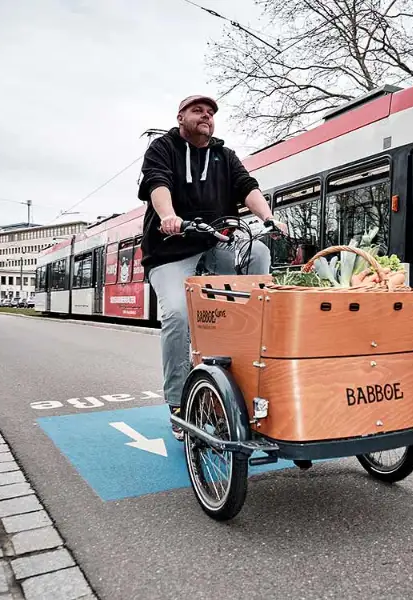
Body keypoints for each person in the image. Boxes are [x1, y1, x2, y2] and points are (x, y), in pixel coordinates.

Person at [137, 94, 287, 440]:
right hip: (171, 249)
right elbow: (157, 184)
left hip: (216, 242)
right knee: (176, 313)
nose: (206, 116)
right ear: (181, 117)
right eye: (198, 111)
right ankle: (177, 402)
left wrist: (268, 217)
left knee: (258, 253)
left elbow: (247, 187)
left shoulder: (224, 155)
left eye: (210, 113)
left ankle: (251, 343)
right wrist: (168, 216)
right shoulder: (163, 148)